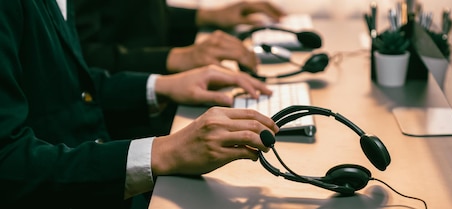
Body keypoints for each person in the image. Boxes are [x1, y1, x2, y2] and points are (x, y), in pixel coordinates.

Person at [0, 0, 279, 208]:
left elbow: (68, 79)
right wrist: (160, 153)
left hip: (95, 174)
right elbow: (7, 163)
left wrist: (160, 84)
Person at [73, 0, 286, 74]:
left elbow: (134, 15)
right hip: (117, 116)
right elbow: (78, 59)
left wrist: (205, 16)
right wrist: (176, 57)